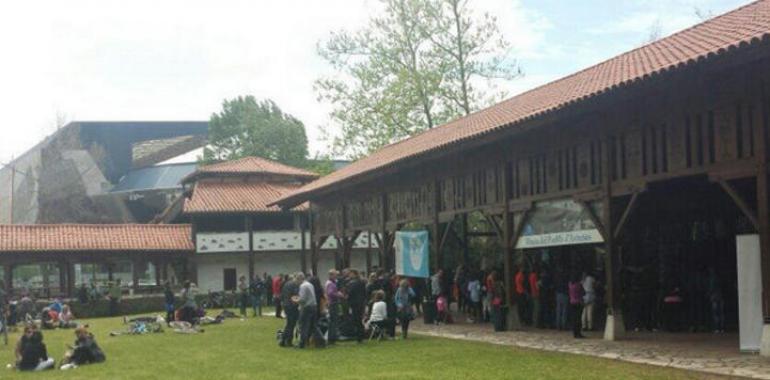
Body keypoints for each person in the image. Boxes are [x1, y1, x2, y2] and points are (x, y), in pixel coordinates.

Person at [297, 273, 325, 349]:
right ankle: (322, 341)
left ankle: (302, 343)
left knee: (303, 326)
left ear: (299, 279)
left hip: (306, 307)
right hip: (314, 307)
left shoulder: (302, 286)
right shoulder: (310, 284)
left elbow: (302, 299)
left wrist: (296, 300)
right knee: (314, 326)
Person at [346, 269, 367, 343]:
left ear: (354, 274)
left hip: (355, 304)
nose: (349, 275)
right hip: (360, 303)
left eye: (350, 274)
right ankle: (361, 336)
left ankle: (359, 337)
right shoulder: (361, 282)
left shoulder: (353, 283)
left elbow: (350, 293)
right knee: (358, 320)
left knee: (357, 320)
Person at [279, 274, 300, 347]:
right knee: (291, 324)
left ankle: (283, 340)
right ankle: (287, 341)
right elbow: (295, 297)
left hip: (286, 305)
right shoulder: (294, 285)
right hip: (291, 306)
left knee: (289, 324)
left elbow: (282, 295)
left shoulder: (286, 284)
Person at [325, 269, 344, 344]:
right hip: (333, 303)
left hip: (332, 303)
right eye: (335, 275)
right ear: (331, 275)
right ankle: (332, 338)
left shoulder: (332, 282)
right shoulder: (330, 283)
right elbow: (330, 293)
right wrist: (338, 294)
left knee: (333, 321)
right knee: (333, 322)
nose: (336, 276)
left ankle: (332, 337)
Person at [708, 268, 725, 333]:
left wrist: (710, 294)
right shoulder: (720, 279)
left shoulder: (712, 279)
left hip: (715, 297)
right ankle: (721, 328)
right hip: (720, 296)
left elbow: (711, 288)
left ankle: (717, 328)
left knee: (716, 313)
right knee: (720, 313)